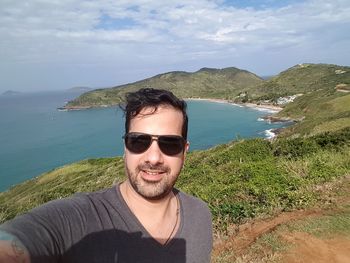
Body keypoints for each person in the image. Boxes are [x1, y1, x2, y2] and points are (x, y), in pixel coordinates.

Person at [0, 88, 213, 263]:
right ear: (125, 147)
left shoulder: (201, 215)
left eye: (170, 144)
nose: (154, 157)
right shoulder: (80, 219)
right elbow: (25, 238)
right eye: (139, 141)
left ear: (184, 151)